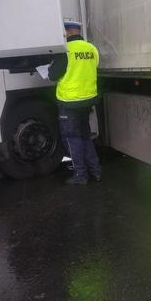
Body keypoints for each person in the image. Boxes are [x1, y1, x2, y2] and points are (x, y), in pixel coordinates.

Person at [48, 20, 102, 185]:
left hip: (69, 102)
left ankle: (80, 175)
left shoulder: (66, 50)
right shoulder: (91, 49)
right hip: (87, 100)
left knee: (73, 139)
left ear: (67, 32)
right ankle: (96, 171)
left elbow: (53, 75)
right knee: (85, 136)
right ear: (78, 31)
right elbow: (94, 67)